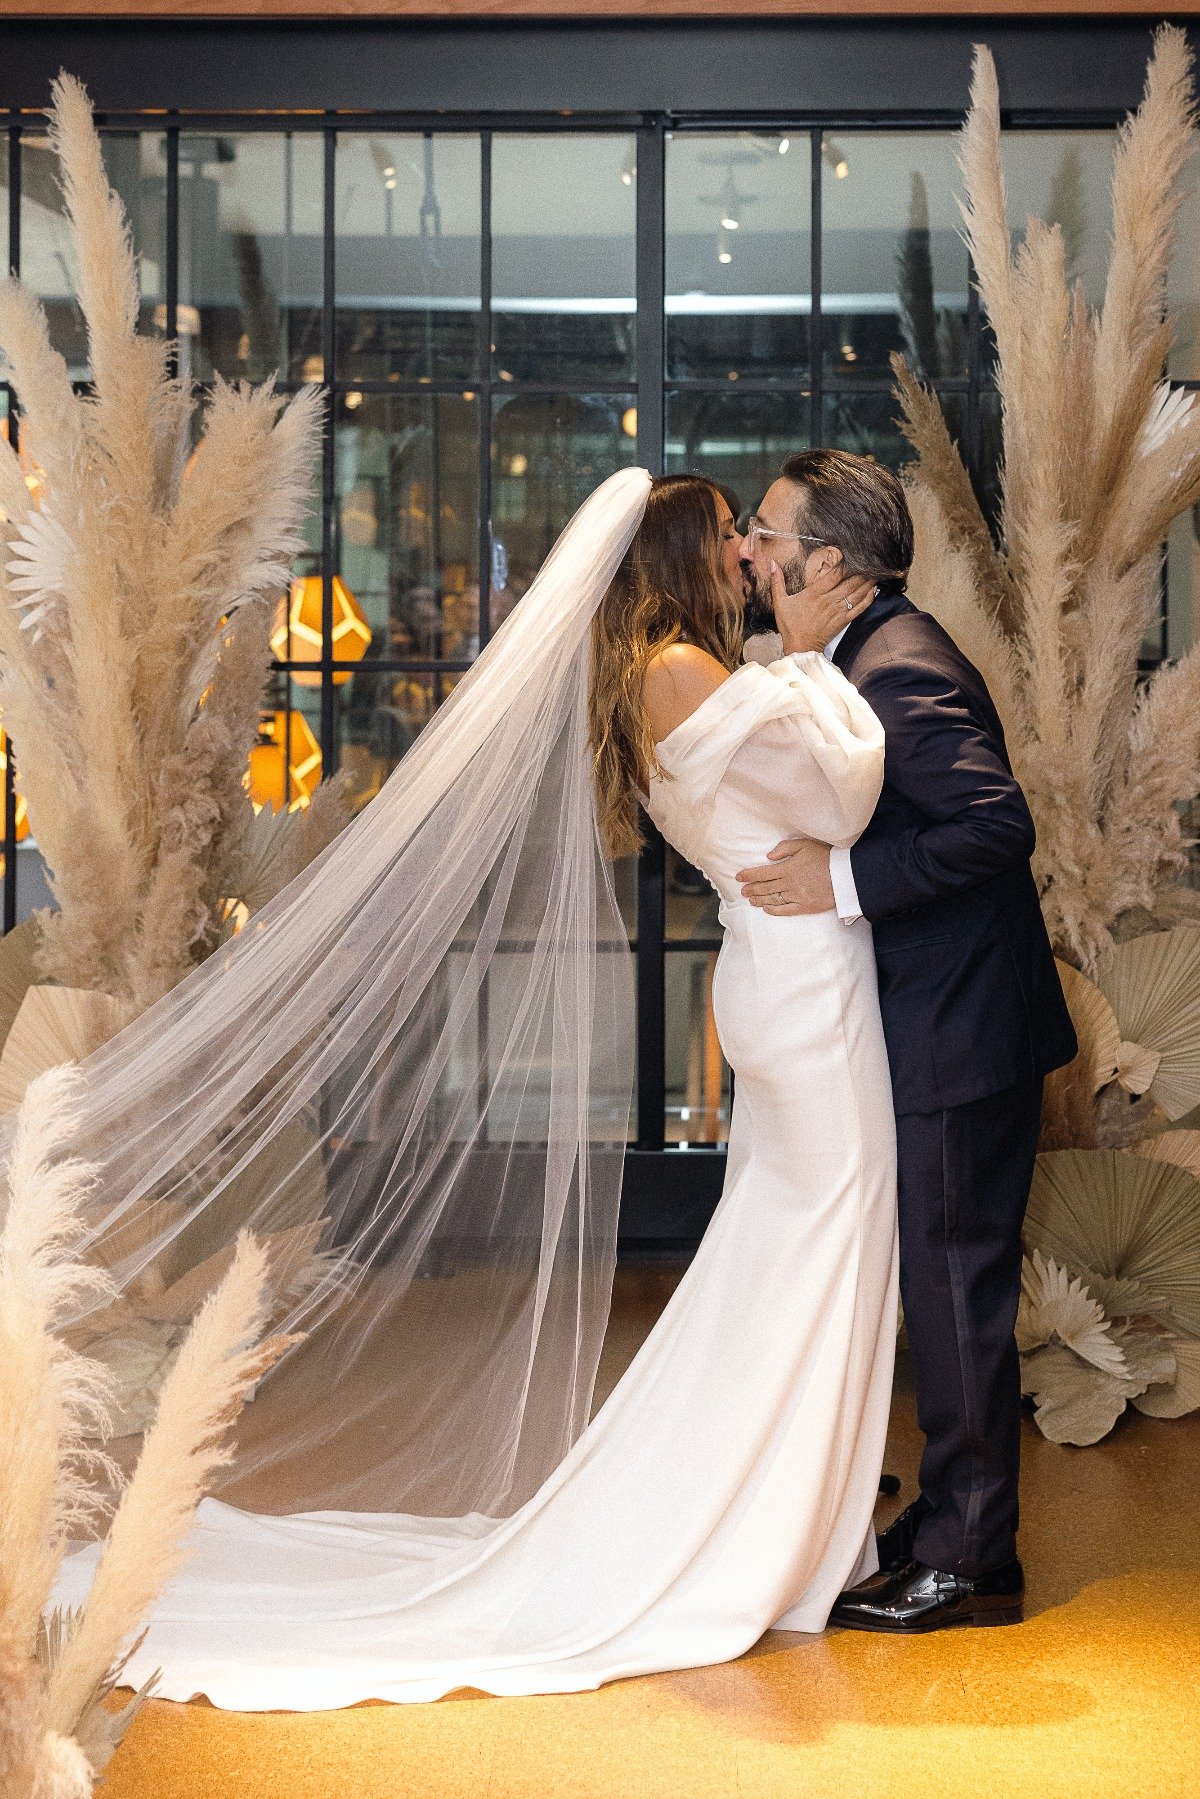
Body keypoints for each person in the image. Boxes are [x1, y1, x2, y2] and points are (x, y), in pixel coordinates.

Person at [51, 469, 902, 1707]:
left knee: (792, 1253)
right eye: (726, 535)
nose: (742, 556)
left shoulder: (664, 673)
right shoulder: (682, 670)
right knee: (821, 1247)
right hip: (807, 988)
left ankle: (787, 1513)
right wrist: (819, 678)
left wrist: (784, 678)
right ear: (674, 554)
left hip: (783, 979)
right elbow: (838, 791)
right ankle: (759, 1523)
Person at [736, 450, 1078, 1634]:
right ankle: (945, 1527)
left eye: (766, 532)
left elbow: (997, 824)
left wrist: (838, 879)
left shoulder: (898, 666)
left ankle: (974, 1562)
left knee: (955, 1290)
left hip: (962, 1033)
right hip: (948, 1020)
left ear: (829, 564)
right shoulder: (863, 648)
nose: (750, 550)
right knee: (941, 1285)